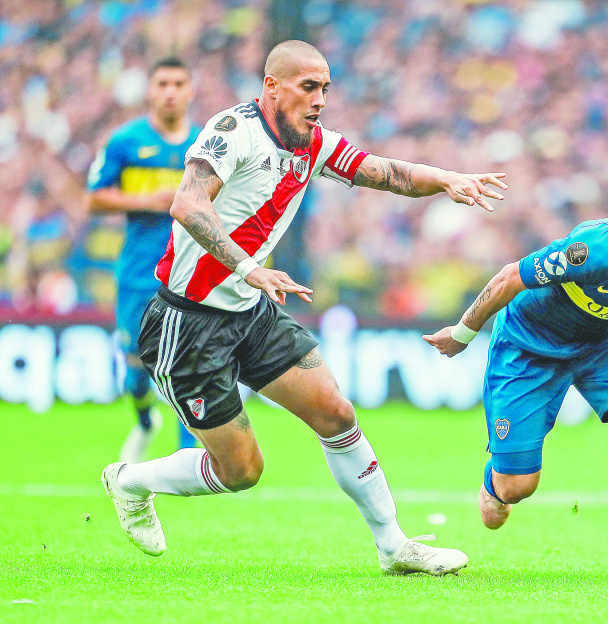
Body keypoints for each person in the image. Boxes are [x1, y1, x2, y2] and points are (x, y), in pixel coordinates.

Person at [100, 40, 508, 576]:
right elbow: (188, 204)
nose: (320, 100)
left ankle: (394, 547)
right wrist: (249, 267)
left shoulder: (312, 144)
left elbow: (388, 174)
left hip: (250, 309)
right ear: (272, 86)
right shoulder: (232, 131)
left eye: (325, 89)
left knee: (336, 412)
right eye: (308, 87)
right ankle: (130, 481)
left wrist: (447, 179)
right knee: (242, 471)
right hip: (189, 319)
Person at [424, 165, 608, 577]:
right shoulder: (599, 248)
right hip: (528, 344)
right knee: (516, 489)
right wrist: (463, 333)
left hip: (602, 343)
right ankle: (497, 480)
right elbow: (512, 276)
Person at [87, 57, 200, 462]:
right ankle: (145, 419)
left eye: (178, 83)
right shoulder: (125, 141)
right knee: (136, 361)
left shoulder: (207, 144)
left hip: (189, 270)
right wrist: (146, 200)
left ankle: (187, 452)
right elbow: (94, 197)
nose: (170, 92)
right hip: (138, 271)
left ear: (190, 90)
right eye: (163, 84)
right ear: (150, 91)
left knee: (188, 356)